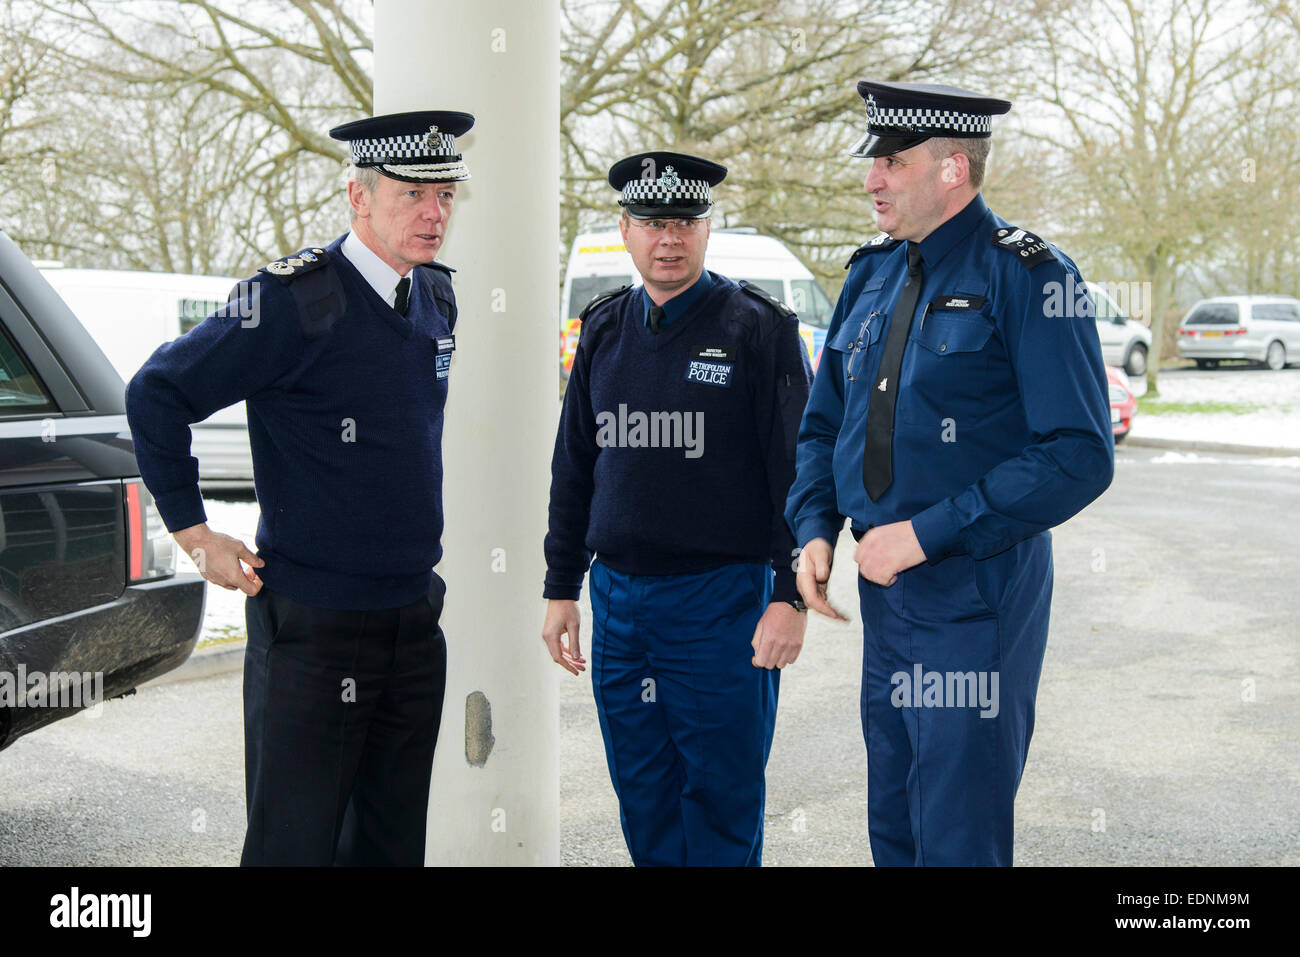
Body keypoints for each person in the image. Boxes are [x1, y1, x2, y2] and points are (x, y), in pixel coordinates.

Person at [125, 110, 474, 866]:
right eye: (413, 194)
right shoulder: (293, 300)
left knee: (388, 844)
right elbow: (156, 392)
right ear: (358, 195)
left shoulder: (438, 299)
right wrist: (194, 532)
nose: (434, 212)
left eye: (445, 194)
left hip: (413, 619)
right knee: (294, 845)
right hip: (316, 628)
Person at [785, 82, 1114, 866]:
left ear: (953, 169)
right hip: (885, 593)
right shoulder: (872, 276)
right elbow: (823, 423)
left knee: (956, 833)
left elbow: (1079, 451)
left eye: (892, 163)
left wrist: (927, 534)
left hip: (975, 592)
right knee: (897, 824)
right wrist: (813, 527)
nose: (872, 179)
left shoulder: (1031, 276)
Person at [541, 151, 812, 866]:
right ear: (624, 230)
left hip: (721, 604)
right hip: (620, 604)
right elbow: (574, 467)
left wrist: (791, 596)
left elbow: (801, 478)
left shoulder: (760, 330)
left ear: (707, 228)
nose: (670, 239)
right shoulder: (601, 329)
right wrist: (560, 586)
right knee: (645, 797)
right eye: (653, 223)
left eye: (685, 223)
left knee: (721, 802)